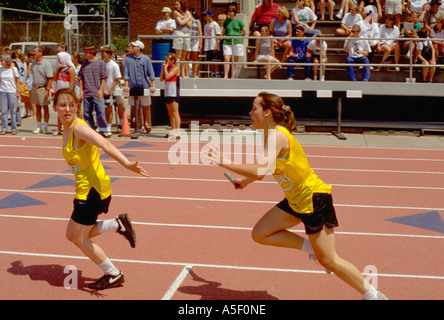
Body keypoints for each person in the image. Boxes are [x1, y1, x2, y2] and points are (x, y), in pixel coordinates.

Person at [206, 92, 388, 300]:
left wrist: (224, 161)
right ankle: (310, 246)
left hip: (312, 198)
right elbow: (267, 170)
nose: (250, 113)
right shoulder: (270, 134)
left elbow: (259, 170)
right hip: (296, 200)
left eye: (253, 108)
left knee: (330, 260)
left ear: (266, 112)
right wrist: (244, 181)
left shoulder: (277, 135)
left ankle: (373, 295)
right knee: (260, 233)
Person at [53, 88, 148, 290]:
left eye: (71, 104)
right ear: (55, 107)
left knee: (79, 238)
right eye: (62, 105)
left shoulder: (78, 128)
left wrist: (126, 164)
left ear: (76, 106)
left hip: (92, 191)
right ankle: (117, 224)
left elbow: (104, 143)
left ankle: (113, 274)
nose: (67, 109)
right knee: (72, 235)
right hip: (85, 190)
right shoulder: (67, 128)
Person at [123, 40, 156, 135]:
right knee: (135, 105)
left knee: (146, 105)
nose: (132, 47)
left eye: (134, 46)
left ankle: (146, 122)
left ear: (139, 48)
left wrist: (153, 85)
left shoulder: (146, 59)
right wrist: (126, 85)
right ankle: (138, 123)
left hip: (144, 85)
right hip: (133, 86)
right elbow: (126, 74)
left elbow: (151, 73)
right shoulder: (128, 60)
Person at [79, 45, 109, 137]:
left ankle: (102, 130)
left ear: (91, 53)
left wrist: (100, 90)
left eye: (86, 52)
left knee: (100, 112)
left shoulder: (101, 63)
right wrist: (81, 90)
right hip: (87, 92)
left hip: (97, 93)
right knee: (87, 113)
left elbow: (104, 78)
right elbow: (81, 78)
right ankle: (90, 129)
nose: (84, 54)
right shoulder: (84, 64)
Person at [101, 45, 124, 137]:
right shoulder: (101, 64)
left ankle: (109, 128)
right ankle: (104, 126)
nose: (102, 55)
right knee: (105, 109)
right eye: (101, 53)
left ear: (109, 54)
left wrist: (109, 89)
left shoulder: (114, 65)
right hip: (103, 90)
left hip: (111, 91)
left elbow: (117, 79)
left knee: (111, 108)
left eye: (103, 54)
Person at [30, 46, 53, 134]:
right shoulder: (33, 63)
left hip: (43, 88)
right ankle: (39, 127)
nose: (33, 53)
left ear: (40, 53)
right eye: (33, 51)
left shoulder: (46, 64)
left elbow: (50, 78)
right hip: (35, 87)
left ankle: (46, 127)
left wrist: (47, 90)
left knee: (45, 108)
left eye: (35, 51)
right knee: (37, 108)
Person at [53, 52, 76, 136]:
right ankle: (59, 129)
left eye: (60, 58)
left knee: (69, 112)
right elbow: (55, 79)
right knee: (60, 112)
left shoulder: (70, 69)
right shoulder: (59, 68)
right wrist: (57, 69)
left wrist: (70, 94)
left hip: (66, 93)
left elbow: (72, 82)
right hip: (59, 92)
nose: (59, 60)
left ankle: (70, 129)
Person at [222, 4, 247, 78]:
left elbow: (244, 32)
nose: (229, 13)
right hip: (227, 42)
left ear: (234, 12)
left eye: (231, 11)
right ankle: (226, 75)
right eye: (228, 11)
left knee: (235, 60)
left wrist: (239, 37)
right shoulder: (226, 22)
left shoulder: (239, 21)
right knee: (226, 58)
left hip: (237, 42)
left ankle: (233, 75)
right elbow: (223, 32)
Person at [160, 53, 181, 139]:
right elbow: (161, 78)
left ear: (172, 60)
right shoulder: (167, 68)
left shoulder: (175, 68)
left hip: (173, 91)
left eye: (167, 60)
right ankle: (172, 131)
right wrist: (162, 69)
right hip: (167, 91)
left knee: (175, 113)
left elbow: (168, 76)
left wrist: (165, 68)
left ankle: (178, 132)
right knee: (170, 113)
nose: (166, 62)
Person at [0, 55, 20, 135]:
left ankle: (13, 128)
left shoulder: (13, 69)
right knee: (4, 111)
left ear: (7, 60)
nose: (1, 62)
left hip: (12, 91)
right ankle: (4, 128)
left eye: (2, 60)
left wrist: (17, 91)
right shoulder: (1, 69)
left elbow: (18, 80)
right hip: (3, 91)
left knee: (13, 111)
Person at [173, 0, 193, 78]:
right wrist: (187, 18)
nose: (176, 6)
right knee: (178, 55)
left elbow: (189, 25)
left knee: (184, 56)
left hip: (187, 34)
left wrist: (182, 17)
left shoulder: (187, 12)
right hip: (179, 33)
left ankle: (183, 74)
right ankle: (178, 74)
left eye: (177, 4)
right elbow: (180, 23)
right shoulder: (175, 12)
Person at [202, 10, 222, 78]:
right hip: (208, 45)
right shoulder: (206, 26)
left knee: (215, 59)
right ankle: (212, 72)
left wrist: (216, 45)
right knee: (210, 60)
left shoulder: (215, 24)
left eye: (206, 15)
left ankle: (217, 72)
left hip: (213, 44)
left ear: (210, 16)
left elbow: (218, 35)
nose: (204, 17)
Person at [189, 8, 203, 78]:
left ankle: (195, 74)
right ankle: (187, 73)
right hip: (188, 40)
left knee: (194, 57)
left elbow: (200, 32)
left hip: (195, 40)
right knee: (187, 57)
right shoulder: (186, 20)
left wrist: (200, 43)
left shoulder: (197, 21)